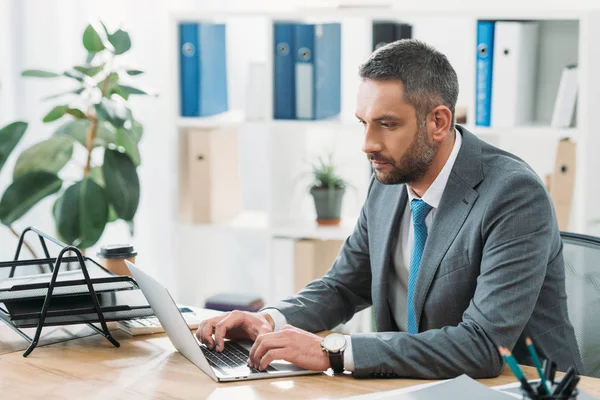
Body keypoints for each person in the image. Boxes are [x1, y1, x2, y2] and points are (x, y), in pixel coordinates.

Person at [197, 39, 584, 379]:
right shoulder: (390, 179)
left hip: (519, 388)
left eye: (386, 124)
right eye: (363, 123)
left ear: (438, 121)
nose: (367, 144)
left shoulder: (513, 195)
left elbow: (483, 346)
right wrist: (268, 320)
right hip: (414, 382)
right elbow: (344, 285)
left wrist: (333, 352)